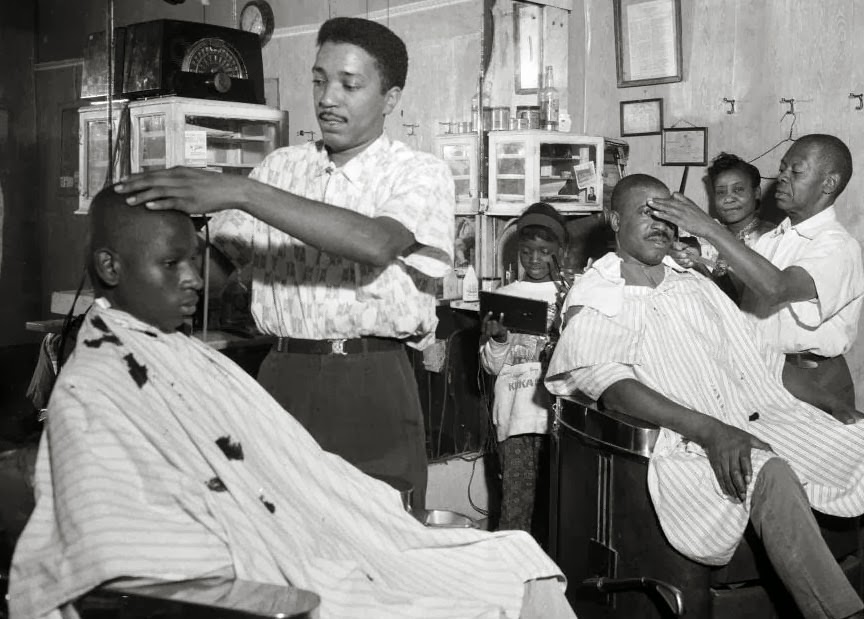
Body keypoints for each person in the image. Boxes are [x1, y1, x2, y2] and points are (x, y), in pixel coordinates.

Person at [8, 187, 573, 619]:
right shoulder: (96, 384)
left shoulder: (178, 354)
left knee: (511, 559)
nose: (195, 281)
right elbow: (126, 553)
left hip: (302, 533)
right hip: (253, 577)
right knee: (497, 585)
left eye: (194, 261)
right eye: (172, 264)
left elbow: (289, 468)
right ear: (110, 268)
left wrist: (352, 515)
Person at [113, 17, 456, 512]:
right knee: (277, 525)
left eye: (349, 84)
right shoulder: (281, 168)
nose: (327, 98)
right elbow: (215, 266)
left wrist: (240, 190)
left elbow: (375, 242)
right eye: (319, 80)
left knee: (377, 534)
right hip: (281, 375)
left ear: (391, 97)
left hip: (370, 378)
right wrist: (143, 254)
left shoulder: (418, 173)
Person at [545, 174, 864, 619]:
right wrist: (712, 431)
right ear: (614, 220)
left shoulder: (694, 282)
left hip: (759, 415)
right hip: (688, 440)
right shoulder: (602, 292)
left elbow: (761, 359)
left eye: (666, 213)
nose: (658, 223)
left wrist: (832, 404)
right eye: (645, 212)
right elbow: (614, 388)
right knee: (769, 471)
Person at [653, 135, 864, 410]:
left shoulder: (838, 247)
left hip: (813, 378)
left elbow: (778, 288)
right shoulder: (773, 239)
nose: (782, 177)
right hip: (765, 371)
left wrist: (708, 227)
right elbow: (741, 303)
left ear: (829, 183)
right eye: (782, 168)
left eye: (796, 171)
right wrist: (698, 265)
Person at [480, 203, 567, 539]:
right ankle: (509, 581)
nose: (534, 259)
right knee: (515, 511)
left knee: (560, 511)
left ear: (561, 252)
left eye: (544, 252)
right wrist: (499, 339)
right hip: (515, 419)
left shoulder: (572, 296)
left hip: (557, 422)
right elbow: (490, 365)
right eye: (527, 251)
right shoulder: (504, 297)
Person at [680, 153, 776, 300]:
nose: (729, 198)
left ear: (756, 193)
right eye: (721, 192)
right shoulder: (704, 238)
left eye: (738, 190)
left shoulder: (774, 237)